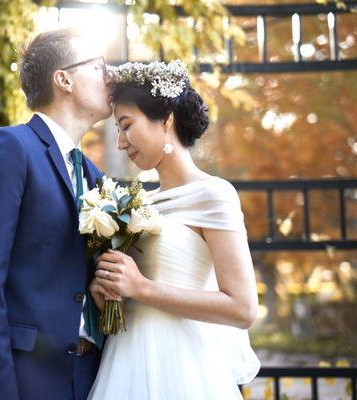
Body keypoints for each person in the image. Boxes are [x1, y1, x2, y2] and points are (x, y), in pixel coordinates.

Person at [0, 28, 114, 400]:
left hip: (86, 378)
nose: (110, 77)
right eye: (100, 67)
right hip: (18, 378)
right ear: (64, 79)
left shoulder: (94, 176)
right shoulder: (10, 148)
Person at [88, 60, 260, 399]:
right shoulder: (138, 205)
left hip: (183, 367)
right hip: (125, 361)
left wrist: (140, 287)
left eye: (126, 126)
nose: (121, 142)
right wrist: (108, 296)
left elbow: (243, 308)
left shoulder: (214, 194)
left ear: (166, 119)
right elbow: (130, 295)